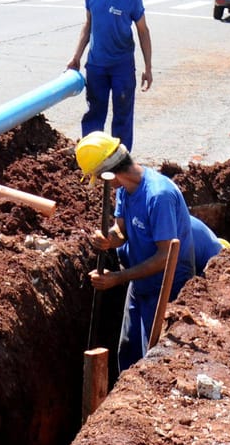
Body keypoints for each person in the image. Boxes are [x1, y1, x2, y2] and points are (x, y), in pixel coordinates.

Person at [76, 131, 195, 372]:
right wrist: (109, 240)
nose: (100, 184)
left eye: (98, 179)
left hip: (165, 289)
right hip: (139, 284)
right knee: (128, 352)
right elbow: (121, 231)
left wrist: (117, 278)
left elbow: (165, 257)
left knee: (150, 362)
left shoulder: (158, 196)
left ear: (110, 174)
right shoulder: (125, 190)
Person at [67, 0, 153, 152]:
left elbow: (143, 32)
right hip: (96, 65)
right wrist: (76, 56)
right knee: (95, 111)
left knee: (123, 113)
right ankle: (91, 154)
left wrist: (148, 68)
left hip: (122, 66)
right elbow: (88, 24)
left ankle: (120, 160)